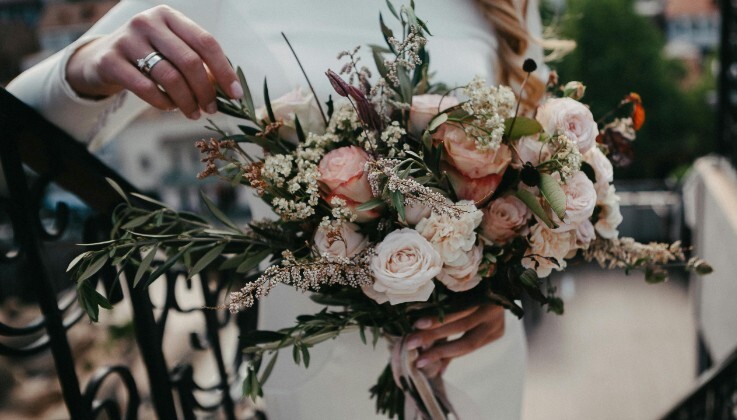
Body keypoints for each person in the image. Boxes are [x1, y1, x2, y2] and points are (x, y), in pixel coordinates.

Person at [8, 1, 546, 418]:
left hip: (478, 350)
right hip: (318, 352)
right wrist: (90, 64)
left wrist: (504, 284)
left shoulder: (498, 4)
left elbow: (541, 163)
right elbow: (19, 117)